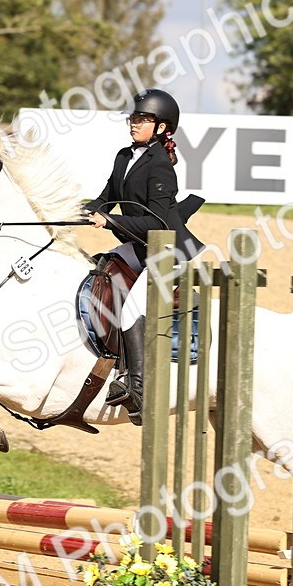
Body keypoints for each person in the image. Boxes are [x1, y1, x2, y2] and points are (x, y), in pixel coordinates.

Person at [85, 88, 205, 425]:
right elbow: (106, 197)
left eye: (142, 119)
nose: (134, 124)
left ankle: (138, 387)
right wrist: (81, 209)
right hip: (139, 246)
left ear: (163, 128)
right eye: (133, 118)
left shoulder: (162, 166)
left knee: (131, 309)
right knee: (99, 271)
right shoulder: (124, 156)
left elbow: (159, 222)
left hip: (165, 251)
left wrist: (110, 220)